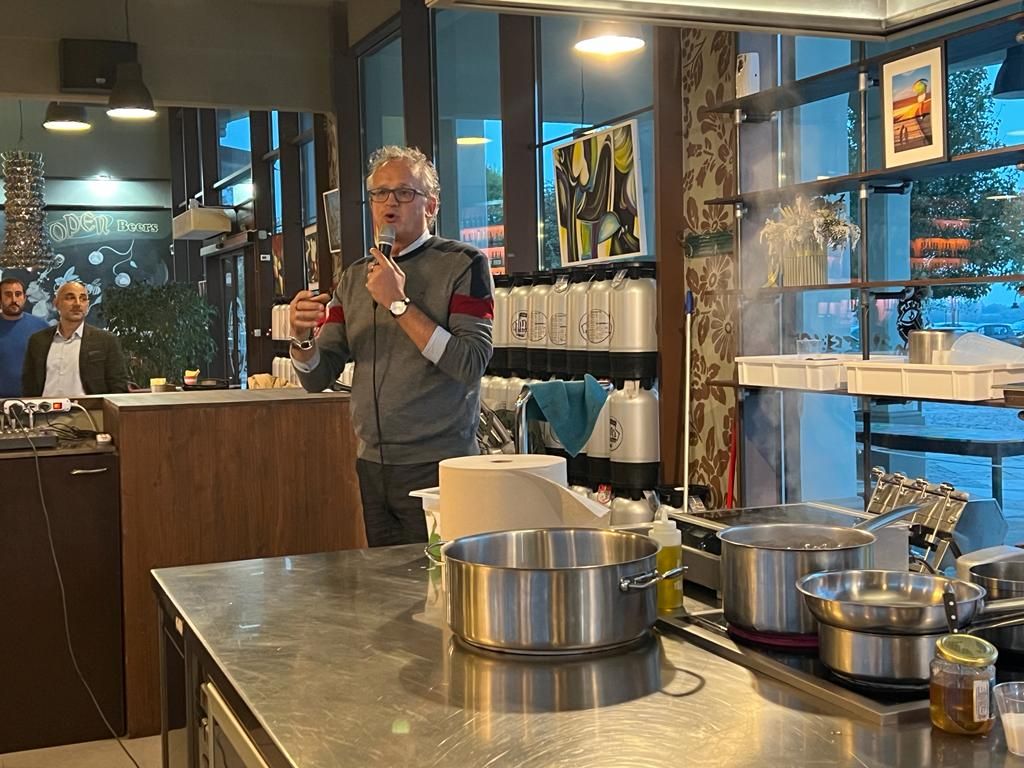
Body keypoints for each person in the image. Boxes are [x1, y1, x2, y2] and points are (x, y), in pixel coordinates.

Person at [290, 145, 493, 547]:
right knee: (385, 582)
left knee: (437, 578)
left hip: (439, 466)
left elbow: (470, 363)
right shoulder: (354, 278)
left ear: (430, 206)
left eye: (404, 192)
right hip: (373, 465)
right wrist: (301, 338)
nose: (390, 203)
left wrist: (399, 304)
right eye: (380, 193)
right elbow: (318, 377)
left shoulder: (463, 264)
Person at [22, 281, 129, 397]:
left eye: (83, 299)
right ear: (56, 304)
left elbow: (118, 385)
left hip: (89, 407)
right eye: (70, 298)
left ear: (87, 305)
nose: (77, 304)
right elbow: (29, 384)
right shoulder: (38, 340)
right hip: (46, 407)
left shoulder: (106, 341)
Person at [0, 277, 48, 397]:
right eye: (8, 295)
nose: (14, 299)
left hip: (34, 399)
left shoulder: (41, 327)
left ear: (24, 298)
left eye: (18, 294)